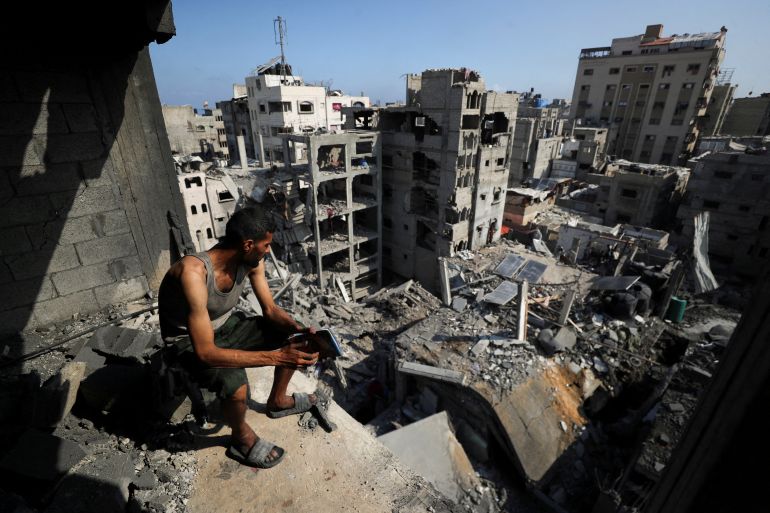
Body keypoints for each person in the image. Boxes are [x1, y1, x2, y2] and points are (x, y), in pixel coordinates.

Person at [158, 206, 320, 469]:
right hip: (187, 344)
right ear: (247, 244)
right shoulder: (193, 273)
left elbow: (269, 309)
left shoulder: (252, 260)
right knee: (236, 386)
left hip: (227, 327)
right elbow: (205, 353)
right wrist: (276, 356)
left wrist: (297, 328)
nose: (268, 251)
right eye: (266, 245)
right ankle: (240, 437)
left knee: (293, 336)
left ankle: (277, 401)